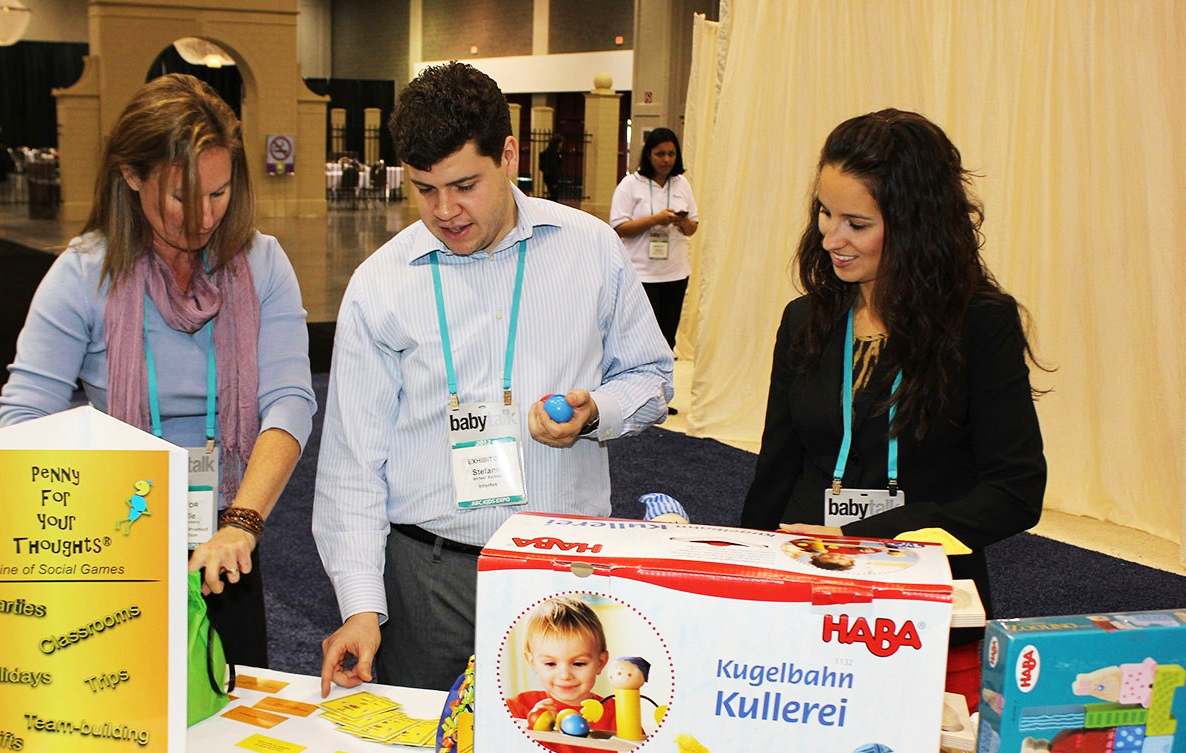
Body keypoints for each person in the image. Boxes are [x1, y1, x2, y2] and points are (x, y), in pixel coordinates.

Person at [313, 62, 673, 695]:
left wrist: (596, 412)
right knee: (418, 749)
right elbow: (352, 460)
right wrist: (362, 605)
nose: (444, 211)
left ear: (508, 155)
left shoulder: (589, 249)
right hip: (426, 576)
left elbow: (651, 375)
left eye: (464, 185)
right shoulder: (380, 283)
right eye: (424, 189)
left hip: (559, 572)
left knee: (558, 739)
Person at [0, 74, 317, 667]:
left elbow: (290, 400)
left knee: (234, 706)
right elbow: (23, 417)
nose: (204, 217)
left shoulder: (263, 263)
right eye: (181, 197)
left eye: (219, 193)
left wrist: (242, 523)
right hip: (114, 536)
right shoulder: (83, 273)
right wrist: (87, 513)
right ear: (131, 175)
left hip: (228, 536)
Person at [739, 109, 1046, 707]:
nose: (831, 238)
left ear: (915, 225)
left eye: (856, 223)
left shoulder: (980, 324)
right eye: (824, 213)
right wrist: (747, 575)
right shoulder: (805, 320)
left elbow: (1015, 492)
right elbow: (776, 470)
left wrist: (864, 538)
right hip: (804, 595)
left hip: (921, 606)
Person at [610, 127, 699, 350]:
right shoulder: (630, 184)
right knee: (641, 339)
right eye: (660, 154)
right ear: (649, 155)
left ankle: (664, 373)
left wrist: (681, 221)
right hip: (641, 273)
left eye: (671, 154)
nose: (666, 159)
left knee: (667, 339)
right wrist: (655, 220)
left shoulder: (681, 183)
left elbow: (692, 228)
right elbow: (619, 227)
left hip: (675, 273)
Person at [506, 596, 618, 753]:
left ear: (600, 663)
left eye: (579, 663)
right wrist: (530, 727)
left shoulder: (618, 715)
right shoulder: (517, 709)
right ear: (533, 662)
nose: (565, 675)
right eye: (551, 664)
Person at [538, 132, 563, 201]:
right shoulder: (553, 153)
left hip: (549, 176)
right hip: (552, 177)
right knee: (554, 195)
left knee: (553, 194)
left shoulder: (550, 151)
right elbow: (554, 166)